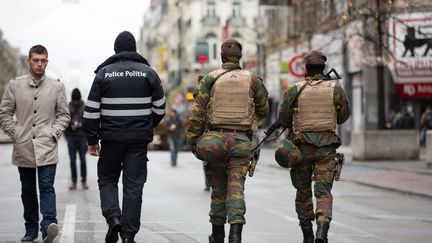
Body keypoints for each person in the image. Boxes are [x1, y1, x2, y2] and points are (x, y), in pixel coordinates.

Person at [84, 31, 166, 243]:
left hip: (111, 139)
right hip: (138, 141)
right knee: (133, 186)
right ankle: (128, 236)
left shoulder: (104, 74)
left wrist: (92, 140)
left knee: (107, 179)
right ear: (134, 49)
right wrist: (148, 125)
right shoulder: (149, 73)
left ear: (116, 50)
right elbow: (160, 107)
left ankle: (113, 218)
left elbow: (91, 110)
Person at [187, 38, 269, 243]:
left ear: (222, 56)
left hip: (215, 139)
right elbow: (264, 109)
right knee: (236, 188)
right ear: (240, 56)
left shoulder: (210, 78)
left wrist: (193, 140)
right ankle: (235, 237)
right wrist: (251, 123)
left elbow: (197, 112)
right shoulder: (253, 80)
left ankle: (217, 236)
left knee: (218, 188)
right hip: (241, 140)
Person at [272, 50, 350, 243]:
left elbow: (283, 119)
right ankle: (322, 232)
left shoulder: (294, 90)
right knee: (323, 192)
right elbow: (343, 116)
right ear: (323, 68)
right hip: (326, 149)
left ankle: (307, 235)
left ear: (305, 69)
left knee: (303, 192)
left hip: (301, 149)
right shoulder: (335, 89)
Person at [0, 44, 70, 243]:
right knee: (28, 189)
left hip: (47, 145)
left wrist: (54, 133)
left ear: (47, 61)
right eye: (36, 60)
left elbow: (64, 115)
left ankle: (48, 225)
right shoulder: (15, 85)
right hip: (23, 145)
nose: (40, 64)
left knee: (47, 185)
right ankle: (30, 228)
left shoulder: (56, 86)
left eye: (43, 60)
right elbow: (4, 112)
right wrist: (14, 132)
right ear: (28, 61)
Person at [65, 88, 88, 190]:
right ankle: (74, 182)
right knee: (72, 160)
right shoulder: (68, 106)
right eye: (74, 100)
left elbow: (89, 121)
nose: (76, 102)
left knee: (83, 160)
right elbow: (64, 121)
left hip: (82, 137)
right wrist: (67, 135)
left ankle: (84, 181)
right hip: (71, 137)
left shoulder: (84, 106)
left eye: (77, 100)